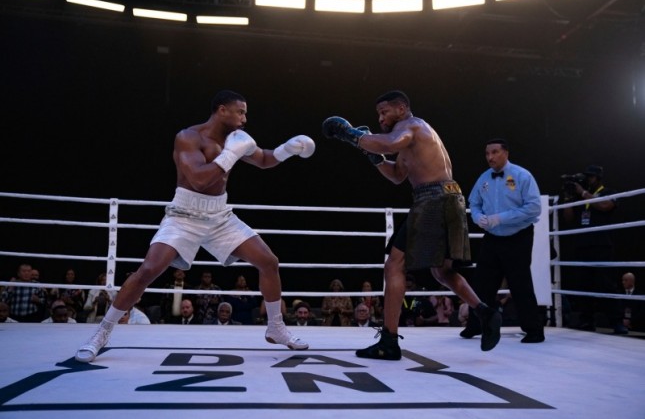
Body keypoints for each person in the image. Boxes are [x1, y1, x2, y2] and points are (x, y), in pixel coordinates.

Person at [74, 90, 314, 362]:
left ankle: (276, 328)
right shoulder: (188, 137)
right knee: (148, 270)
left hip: (219, 215)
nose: (244, 119)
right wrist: (230, 155)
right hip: (184, 214)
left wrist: (288, 149)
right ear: (222, 110)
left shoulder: (235, 139)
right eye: (240, 112)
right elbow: (199, 180)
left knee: (268, 262)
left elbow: (263, 160)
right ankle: (102, 332)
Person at [322, 90, 502, 359]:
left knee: (394, 265)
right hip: (449, 197)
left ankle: (389, 341)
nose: (380, 118)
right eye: (378, 114)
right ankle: (485, 313)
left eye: (384, 112)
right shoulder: (411, 139)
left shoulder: (411, 126)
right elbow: (397, 175)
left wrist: (351, 135)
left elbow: (389, 144)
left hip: (433, 199)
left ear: (402, 108)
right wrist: (374, 158)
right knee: (442, 271)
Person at [461, 138, 545, 344]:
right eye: (487, 153)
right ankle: (475, 325)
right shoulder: (483, 178)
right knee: (482, 283)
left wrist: (501, 218)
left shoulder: (522, 176)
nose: (490, 157)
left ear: (506, 153)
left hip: (518, 236)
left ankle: (534, 330)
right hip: (492, 237)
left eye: (494, 152)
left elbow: (534, 207)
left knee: (520, 283)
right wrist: (477, 217)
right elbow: (474, 202)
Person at [561, 164, 620, 332]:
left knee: (606, 284)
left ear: (598, 178)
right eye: (586, 177)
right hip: (582, 245)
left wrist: (583, 193)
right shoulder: (580, 196)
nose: (588, 179)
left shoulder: (608, 192)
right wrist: (568, 198)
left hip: (601, 244)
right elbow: (568, 218)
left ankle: (616, 321)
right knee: (583, 285)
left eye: (591, 177)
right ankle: (586, 320)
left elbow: (605, 206)